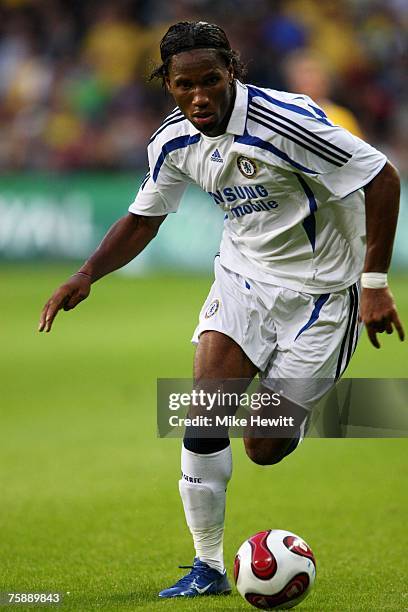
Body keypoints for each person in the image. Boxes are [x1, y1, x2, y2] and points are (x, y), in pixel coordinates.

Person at [39, 21, 404, 600]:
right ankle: (206, 566)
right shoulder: (172, 141)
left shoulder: (288, 123)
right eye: (185, 85)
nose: (200, 96)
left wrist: (376, 282)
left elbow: (382, 177)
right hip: (242, 282)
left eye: (211, 80)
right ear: (168, 84)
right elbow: (145, 215)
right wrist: (86, 274)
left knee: (263, 445)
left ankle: (301, 407)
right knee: (206, 411)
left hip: (322, 298)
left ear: (232, 71)